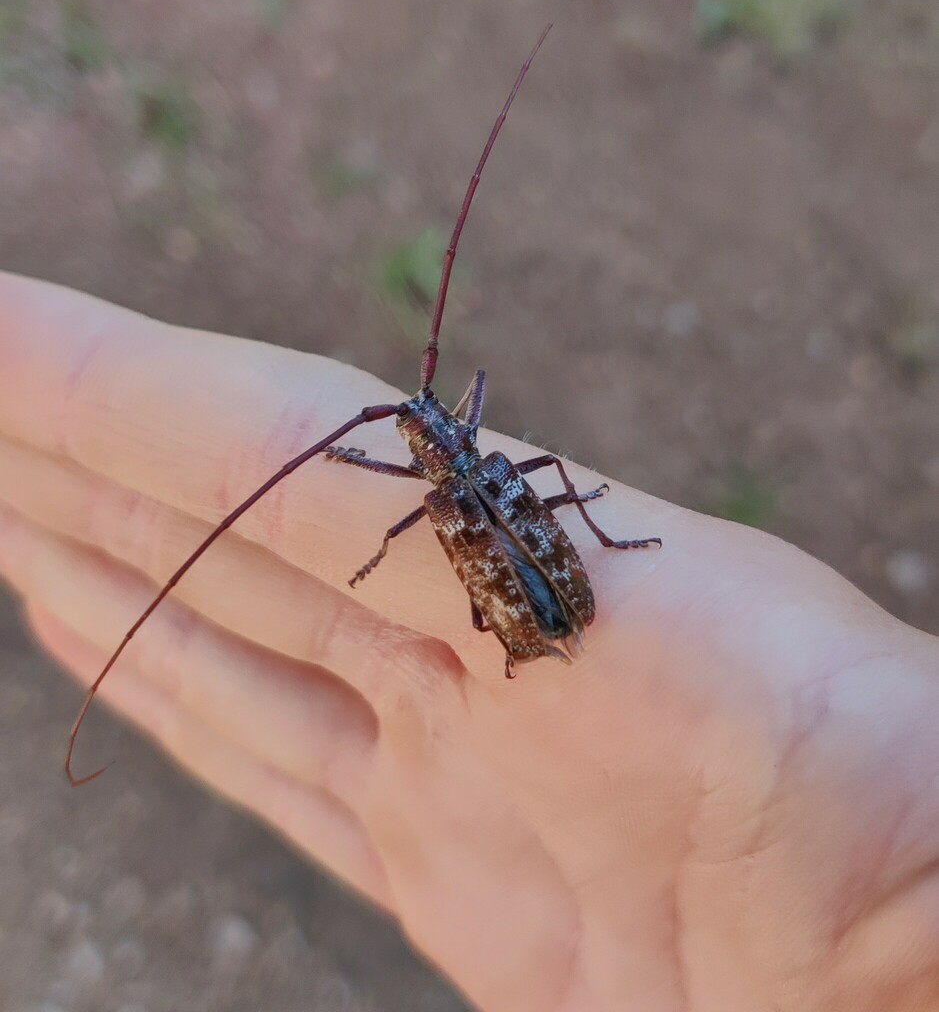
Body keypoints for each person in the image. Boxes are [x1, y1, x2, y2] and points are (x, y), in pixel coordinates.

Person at [1, 271, 937, 1010]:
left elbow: (422, 505)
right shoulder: (483, 466)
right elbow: (499, 485)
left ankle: (542, 605)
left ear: (429, 438)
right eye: (425, 423)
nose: (429, 425)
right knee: (526, 509)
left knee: (485, 552)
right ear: (450, 425)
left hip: (542, 593)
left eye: (423, 423)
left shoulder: (444, 495)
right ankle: (561, 581)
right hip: (550, 580)